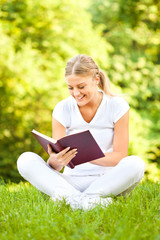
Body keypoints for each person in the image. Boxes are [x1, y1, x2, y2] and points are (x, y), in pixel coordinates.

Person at [17, 54, 145, 210]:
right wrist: (56, 160)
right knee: (25, 159)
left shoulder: (117, 105)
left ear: (96, 79)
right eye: (70, 88)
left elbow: (119, 157)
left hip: (108, 181)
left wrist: (87, 155)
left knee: (136, 164)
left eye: (81, 86)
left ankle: (71, 200)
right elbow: (56, 165)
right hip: (72, 181)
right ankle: (88, 201)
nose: (76, 93)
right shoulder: (62, 108)